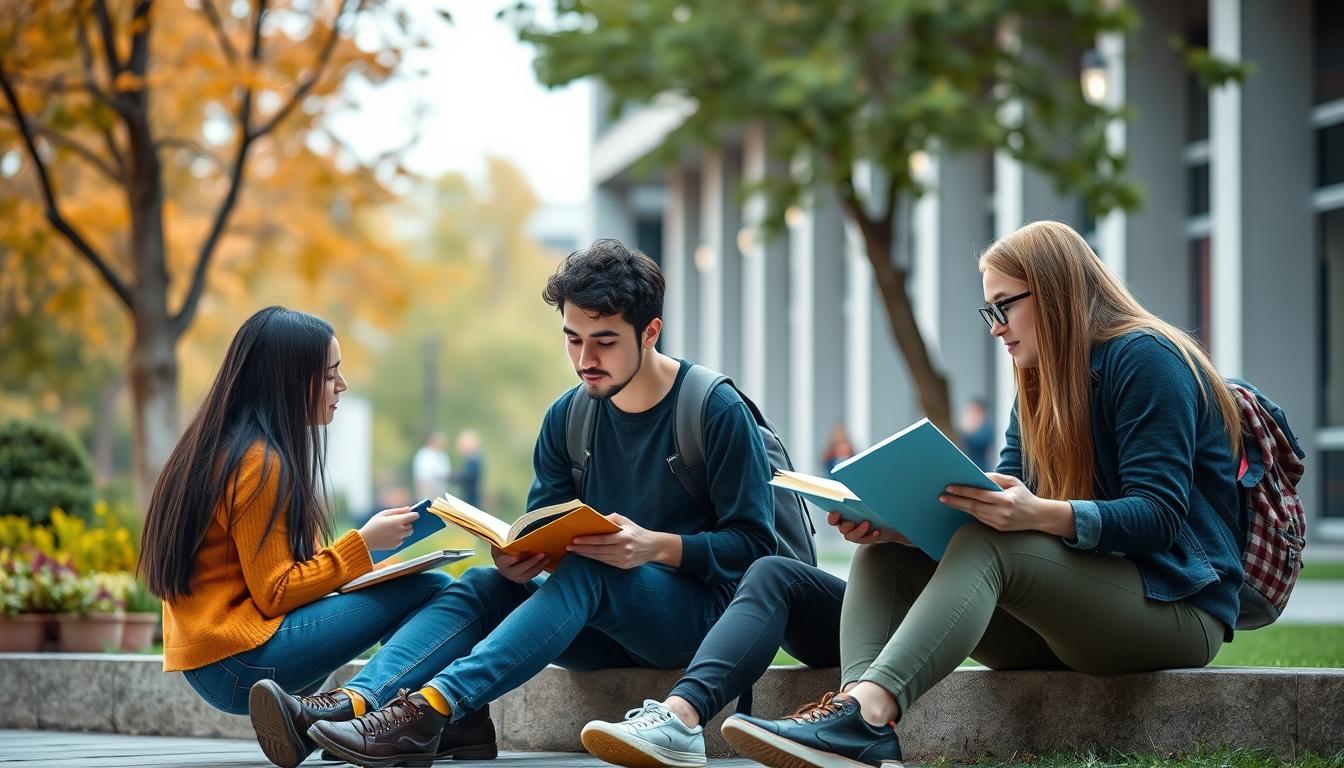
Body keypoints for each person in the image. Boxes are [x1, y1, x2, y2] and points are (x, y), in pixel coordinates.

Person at [720, 220, 1245, 768]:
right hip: (1071, 614)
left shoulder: (1146, 358)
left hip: (1176, 609)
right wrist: (904, 525)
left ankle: (870, 715)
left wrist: (1039, 514)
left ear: (1053, 291)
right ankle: (853, 721)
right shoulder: (1038, 383)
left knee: (989, 546)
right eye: (988, 312)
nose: (995, 327)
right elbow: (1002, 499)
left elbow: (1158, 514)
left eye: (1003, 306)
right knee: (884, 551)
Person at [259, 238, 777, 768]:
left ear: (650, 332)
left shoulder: (713, 410)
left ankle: (428, 712)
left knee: (589, 572)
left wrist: (653, 547)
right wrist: (516, 558)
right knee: (484, 584)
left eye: (604, 342)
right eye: (572, 340)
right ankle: (348, 705)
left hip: (698, 625)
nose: (584, 360)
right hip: (596, 624)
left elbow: (758, 550)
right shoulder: (568, 419)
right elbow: (542, 527)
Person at [139, 307, 492, 768]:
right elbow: (275, 592)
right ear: (288, 382)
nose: (341, 386)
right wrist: (362, 546)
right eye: (329, 376)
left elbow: (273, 579)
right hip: (239, 664)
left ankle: (443, 728)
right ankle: (373, 716)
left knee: (424, 588)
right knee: (439, 590)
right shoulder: (259, 461)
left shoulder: (218, 447)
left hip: (217, 661)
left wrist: (370, 556)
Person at [958, 397, 996, 471]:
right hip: (969, 465)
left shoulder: (986, 427)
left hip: (982, 467)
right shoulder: (968, 425)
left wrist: (969, 431)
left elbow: (982, 443)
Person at [412, 431, 452, 500]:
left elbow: (446, 471)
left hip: (440, 488)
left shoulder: (443, 454)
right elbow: (423, 473)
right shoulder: (424, 454)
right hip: (428, 486)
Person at [454, 428, 485, 507]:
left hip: (471, 501)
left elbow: (467, 477)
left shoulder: (474, 459)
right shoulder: (471, 459)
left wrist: (450, 476)